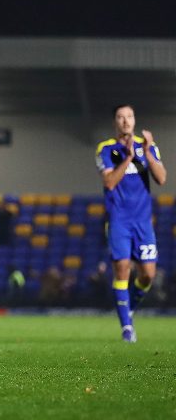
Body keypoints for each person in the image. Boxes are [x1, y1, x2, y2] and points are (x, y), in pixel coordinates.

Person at [96, 104, 166, 342]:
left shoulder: (148, 147)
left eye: (129, 116)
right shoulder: (106, 149)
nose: (125, 121)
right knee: (123, 269)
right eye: (120, 117)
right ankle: (127, 327)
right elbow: (109, 183)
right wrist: (127, 158)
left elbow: (162, 179)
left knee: (147, 274)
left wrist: (145, 153)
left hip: (143, 221)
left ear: (134, 120)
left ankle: (129, 309)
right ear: (115, 122)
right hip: (119, 220)